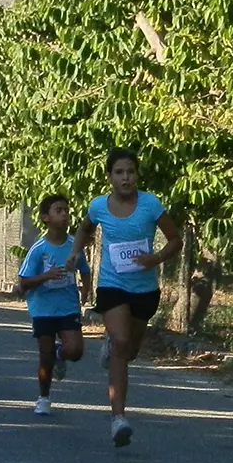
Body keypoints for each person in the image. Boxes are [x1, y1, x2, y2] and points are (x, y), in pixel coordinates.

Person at [76, 148, 182, 447]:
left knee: (130, 350)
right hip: (111, 285)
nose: (126, 177)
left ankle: (113, 345)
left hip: (145, 290)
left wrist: (156, 258)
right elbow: (84, 229)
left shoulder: (151, 204)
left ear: (137, 175)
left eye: (131, 172)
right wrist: (75, 253)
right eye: (119, 172)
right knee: (122, 344)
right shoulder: (98, 206)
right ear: (109, 177)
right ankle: (118, 419)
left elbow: (176, 239)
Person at [16, 193, 90, 416]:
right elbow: (24, 282)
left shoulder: (74, 247)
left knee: (75, 351)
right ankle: (43, 397)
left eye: (66, 210)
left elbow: (85, 273)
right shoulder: (39, 249)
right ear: (45, 217)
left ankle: (62, 354)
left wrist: (84, 297)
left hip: (68, 306)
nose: (65, 214)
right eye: (59, 210)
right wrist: (46, 276)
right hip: (43, 308)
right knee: (44, 354)